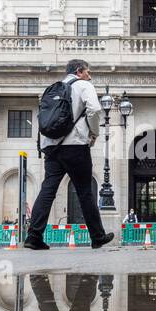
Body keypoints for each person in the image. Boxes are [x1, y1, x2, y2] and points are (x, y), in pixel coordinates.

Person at [25, 59, 114, 250]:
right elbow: (95, 109)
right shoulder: (83, 85)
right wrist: (94, 133)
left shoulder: (53, 88)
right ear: (79, 71)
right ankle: (97, 236)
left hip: (51, 146)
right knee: (84, 191)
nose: (90, 76)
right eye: (88, 72)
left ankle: (33, 237)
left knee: (47, 190)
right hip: (75, 145)